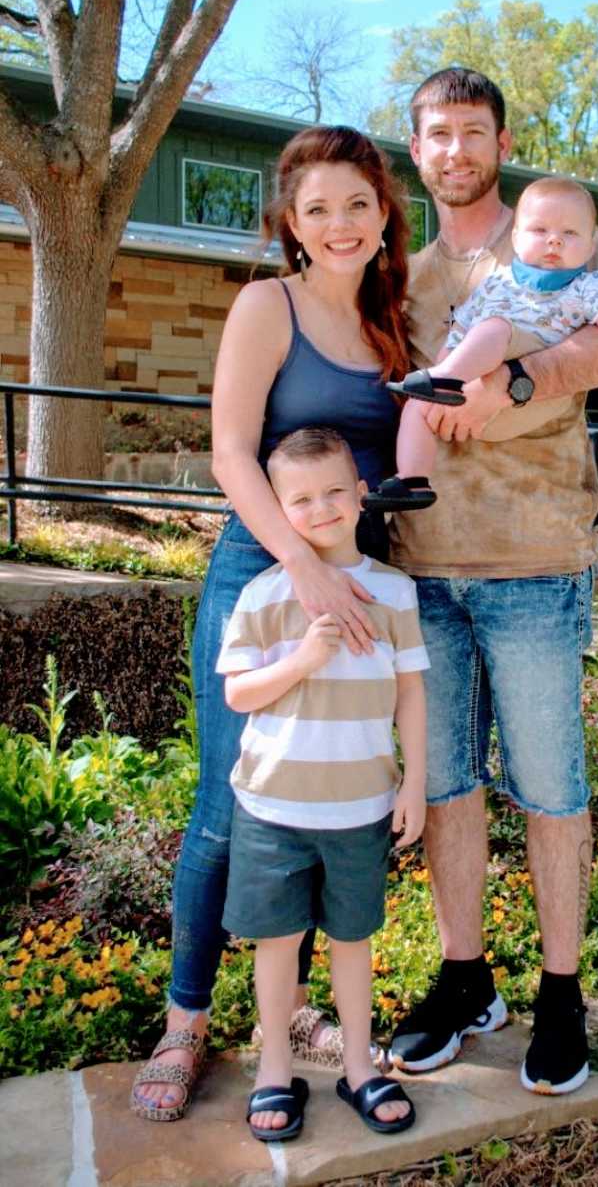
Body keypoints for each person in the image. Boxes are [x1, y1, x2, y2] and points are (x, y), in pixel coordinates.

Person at [385, 69, 598, 1095]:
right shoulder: (405, 276)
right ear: (417, 150)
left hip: (534, 561)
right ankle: (465, 979)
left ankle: (560, 994)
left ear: (501, 143)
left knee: (550, 790)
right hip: (424, 566)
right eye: (436, 135)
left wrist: (513, 382)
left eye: (473, 133)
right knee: (448, 786)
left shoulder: (552, 229)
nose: (455, 150)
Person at [132, 126, 414, 1122]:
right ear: (290, 225)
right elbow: (229, 455)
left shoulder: (393, 328)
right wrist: (303, 570)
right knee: (234, 802)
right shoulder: (268, 305)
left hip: (359, 589)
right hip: (265, 574)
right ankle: (185, 1019)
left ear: (384, 215)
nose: (339, 224)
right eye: (316, 208)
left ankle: (289, 1013)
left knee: (324, 801)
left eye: (356, 204)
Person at [219, 427, 427, 1141]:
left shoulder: (394, 592)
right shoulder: (264, 595)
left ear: (362, 494)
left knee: (352, 939)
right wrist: (306, 657)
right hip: (272, 807)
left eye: (335, 491)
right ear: (278, 508)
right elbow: (240, 695)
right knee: (277, 942)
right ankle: (274, 1069)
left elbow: (411, 695)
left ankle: (361, 1066)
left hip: (361, 806)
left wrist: (415, 784)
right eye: (301, 499)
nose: (322, 508)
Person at [366, 175, 598, 509]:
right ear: (516, 239)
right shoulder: (497, 282)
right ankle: (412, 480)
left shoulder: (585, 287)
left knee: (495, 327)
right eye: (540, 231)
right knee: (417, 406)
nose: (554, 242)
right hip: (473, 391)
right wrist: (445, 368)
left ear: (590, 247)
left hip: (532, 385)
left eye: (569, 234)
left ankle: (447, 376)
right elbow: (462, 330)